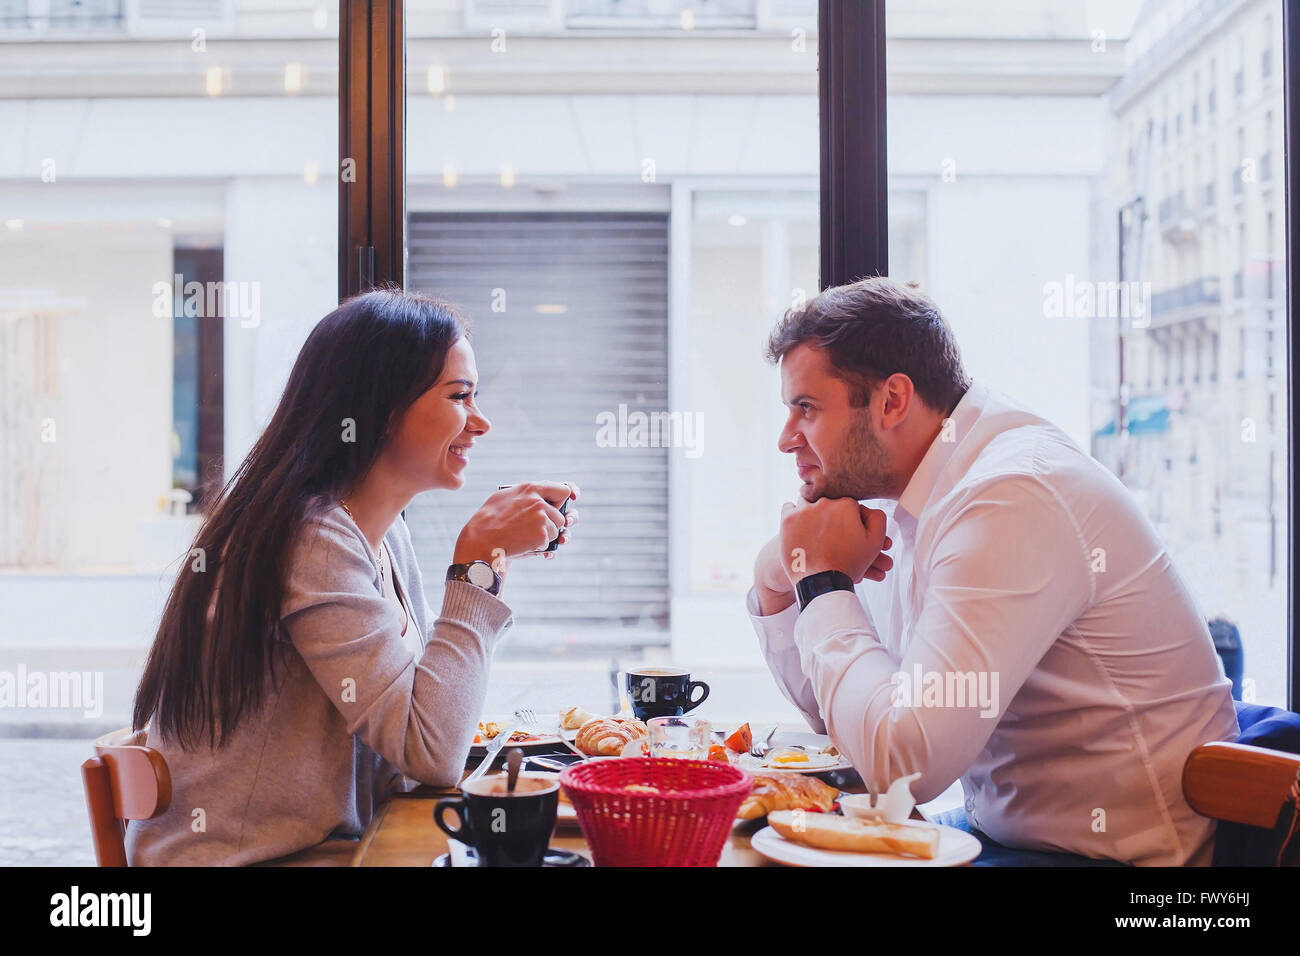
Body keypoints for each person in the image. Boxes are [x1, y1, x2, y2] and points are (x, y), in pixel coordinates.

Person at [748, 276, 1238, 866]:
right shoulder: (905, 501)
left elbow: (905, 765)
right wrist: (778, 579)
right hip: (1010, 838)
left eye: (806, 408)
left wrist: (823, 582)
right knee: (775, 842)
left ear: (892, 401)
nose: (785, 439)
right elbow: (845, 724)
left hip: (1119, 864)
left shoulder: (1011, 494)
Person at [127, 288, 577, 865]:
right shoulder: (312, 538)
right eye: (460, 396)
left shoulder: (386, 535)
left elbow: (415, 727)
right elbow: (429, 752)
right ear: (381, 408)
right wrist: (476, 567)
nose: (480, 422)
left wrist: (486, 563)